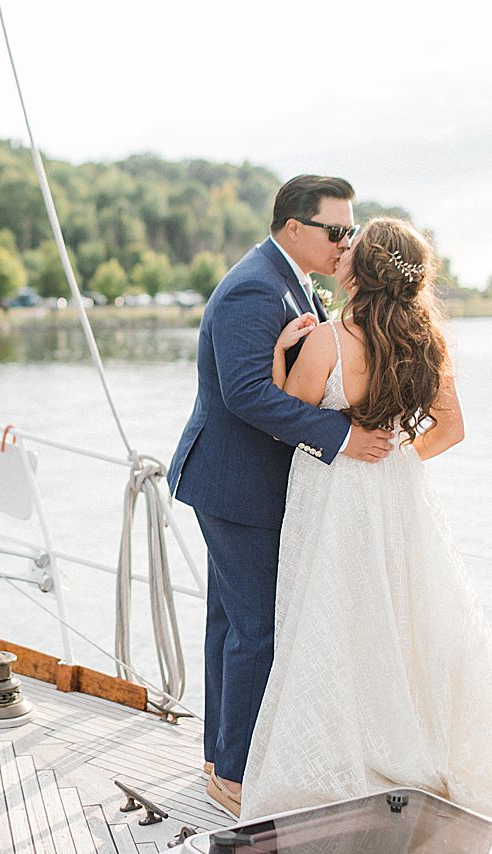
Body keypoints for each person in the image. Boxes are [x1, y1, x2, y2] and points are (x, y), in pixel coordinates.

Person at [239, 218, 492, 833]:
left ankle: (344, 757)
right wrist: (398, 461)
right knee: (404, 618)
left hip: (332, 491)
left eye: (349, 249)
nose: (341, 253)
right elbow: (451, 429)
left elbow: (286, 419)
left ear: (363, 270)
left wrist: (281, 354)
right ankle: (409, 745)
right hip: (396, 489)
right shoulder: (427, 340)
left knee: (329, 615)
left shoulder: (329, 341)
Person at [167, 175, 394, 816]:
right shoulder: (254, 287)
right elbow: (246, 394)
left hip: (243, 482)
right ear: (295, 227)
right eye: (336, 230)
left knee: (229, 624)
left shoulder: (286, 279)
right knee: (256, 630)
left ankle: (219, 754)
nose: (345, 242)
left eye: (350, 230)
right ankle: (233, 774)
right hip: (234, 483)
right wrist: (341, 435)